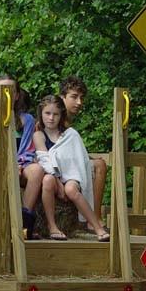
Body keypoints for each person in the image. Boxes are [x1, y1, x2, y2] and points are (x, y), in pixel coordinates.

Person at [33, 95, 109, 242]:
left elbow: (78, 161)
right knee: (48, 180)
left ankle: (97, 227)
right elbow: (44, 159)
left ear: (61, 116)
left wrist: (68, 181)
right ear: (41, 114)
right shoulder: (39, 135)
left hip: (71, 176)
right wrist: (58, 181)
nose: (51, 118)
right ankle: (52, 226)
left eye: (55, 114)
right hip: (53, 176)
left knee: (71, 190)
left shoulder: (70, 134)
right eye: (47, 113)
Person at [0, 76, 43, 236]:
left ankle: (22, 222)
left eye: (10, 90)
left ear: (17, 95)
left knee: (37, 170)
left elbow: (27, 149)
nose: (6, 94)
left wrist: (17, 165)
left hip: (19, 165)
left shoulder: (26, 119)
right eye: (1, 90)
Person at [60, 76, 108, 225]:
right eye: (74, 97)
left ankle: (94, 217)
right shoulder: (53, 117)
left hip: (68, 164)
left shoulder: (69, 121)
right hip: (57, 167)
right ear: (62, 97)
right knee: (99, 165)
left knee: (99, 163)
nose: (79, 102)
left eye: (81, 98)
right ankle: (94, 219)